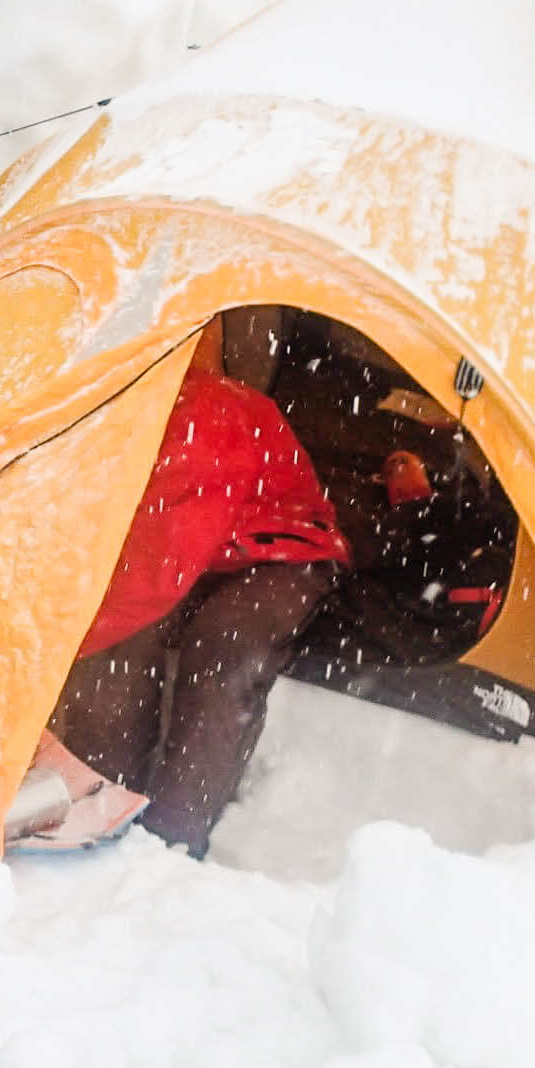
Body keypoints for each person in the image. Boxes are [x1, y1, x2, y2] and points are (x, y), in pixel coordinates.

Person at [29, 356, 349, 857]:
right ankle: (101, 800)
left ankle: (171, 841)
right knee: (120, 649)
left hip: (280, 550)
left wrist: (50, 644)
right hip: (204, 547)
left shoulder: (202, 425)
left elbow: (154, 570)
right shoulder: (97, 420)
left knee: (226, 648)